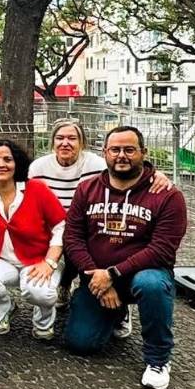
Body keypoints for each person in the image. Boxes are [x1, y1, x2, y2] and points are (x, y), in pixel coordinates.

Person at [63, 126, 189, 389]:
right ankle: (116, 312)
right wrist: (95, 274)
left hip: (143, 274)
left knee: (152, 285)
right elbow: (72, 239)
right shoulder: (87, 190)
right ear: (104, 153)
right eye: (115, 150)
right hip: (97, 276)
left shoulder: (167, 195)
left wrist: (112, 274)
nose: (122, 155)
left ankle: (158, 360)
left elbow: (162, 249)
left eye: (130, 150)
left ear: (143, 153)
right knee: (80, 343)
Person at [29, 119, 172, 323]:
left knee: (81, 245)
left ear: (82, 143)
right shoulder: (38, 167)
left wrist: (156, 174)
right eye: (60, 138)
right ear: (52, 142)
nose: (65, 143)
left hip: (87, 224)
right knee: (64, 245)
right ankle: (61, 288)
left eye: (72, 138)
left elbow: (125, 167)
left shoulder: (96, 163)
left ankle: (116, 300)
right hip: (52, 226)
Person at [0, 138, 66, 340]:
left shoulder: (37, 189)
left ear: (17, 163)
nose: (1, 164)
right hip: (0, 261)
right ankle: (3, 309)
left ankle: (43, 320)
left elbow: (61, 226)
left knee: (39, 293)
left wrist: (50, 262)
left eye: (7, 159)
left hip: (38, 260)